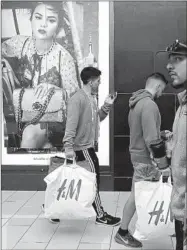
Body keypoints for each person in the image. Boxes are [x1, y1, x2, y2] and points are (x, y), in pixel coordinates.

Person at [2, 2, 79, 149]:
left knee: (30, 135)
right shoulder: (20, 44)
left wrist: (55, 88)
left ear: (58, 26)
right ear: (31, 20)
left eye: (51, 20)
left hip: (52, 119)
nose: (43, 24)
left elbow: (76, 101)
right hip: (21, 114)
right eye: (38, 17)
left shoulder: (64, 57)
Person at [115, 72, 169, 248]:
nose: (162, 94)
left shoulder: (136, 103)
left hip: (139, 156)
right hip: (146, 160)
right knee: (137, 197)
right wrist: (163, 165)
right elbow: (151, 140)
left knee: (137, 195)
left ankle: (124, 231)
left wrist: (161, 134)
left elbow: (142, 133)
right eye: (162, 90)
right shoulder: (149, 105)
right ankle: (123, 232)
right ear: (158, 86)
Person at [62, 66, 121, 226]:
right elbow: (71, 124)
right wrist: (68, 146)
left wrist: (107, 105)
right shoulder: (77, 99)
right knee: (93, 180)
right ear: (90, 81)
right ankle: (100, 215)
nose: (99, 83)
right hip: (82, 148)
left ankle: (52, 207)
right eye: (98, 81)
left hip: (86, 146)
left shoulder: (91, 98)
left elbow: (96, 119)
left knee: (71, 180)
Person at [157, 39, 187, 250]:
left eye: (178, 59)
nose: (169, 66)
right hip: (180, 211)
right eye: (169, 61)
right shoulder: (183, 104)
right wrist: (171, 142)